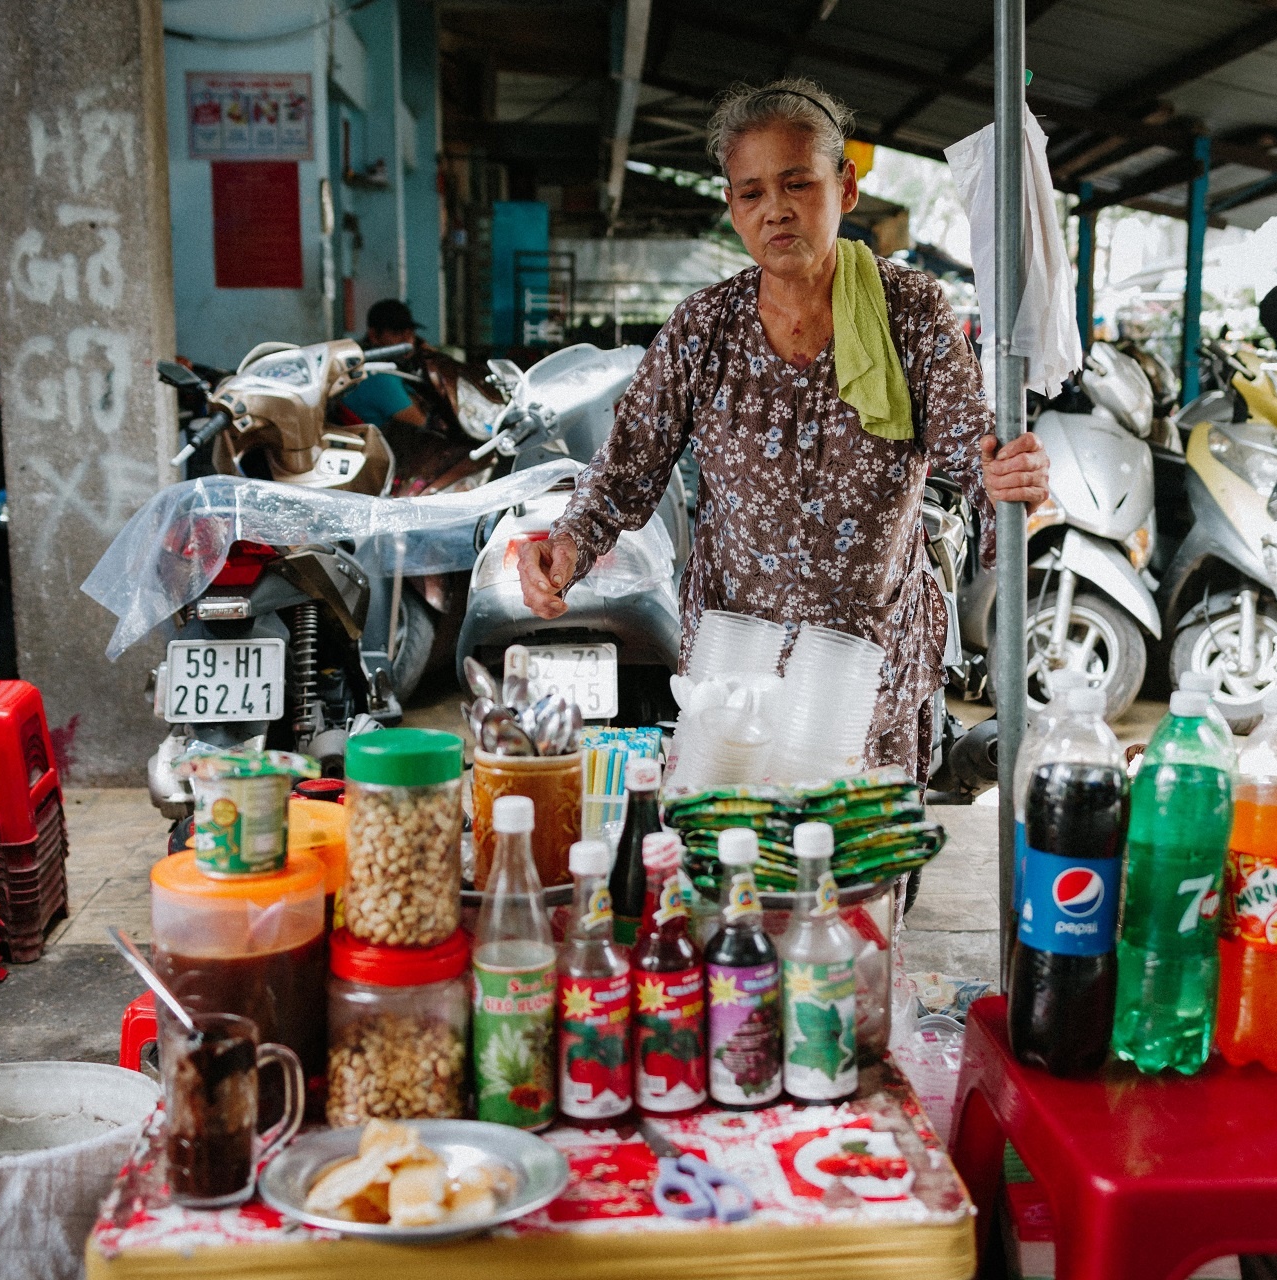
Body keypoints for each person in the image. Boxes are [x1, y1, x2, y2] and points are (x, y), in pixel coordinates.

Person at [516, 77, 1050, 779]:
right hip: (736, 667)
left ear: (845, 187)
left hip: (866, 662)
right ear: (732, 208)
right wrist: (568, 545)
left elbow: (968, 443)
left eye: (797, 184)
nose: (776, 211)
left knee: (859, 869)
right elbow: (624, 470)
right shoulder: (704, 328)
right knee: (734, 862)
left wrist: (1007, 481)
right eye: (751, 193)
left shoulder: (911, 310)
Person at [339, 298, 428, 431]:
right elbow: (422, 424)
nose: (407, 341)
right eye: (396, 333)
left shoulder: (394, 369)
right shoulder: (377, 375)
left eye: (410, 334)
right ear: (374, 336)